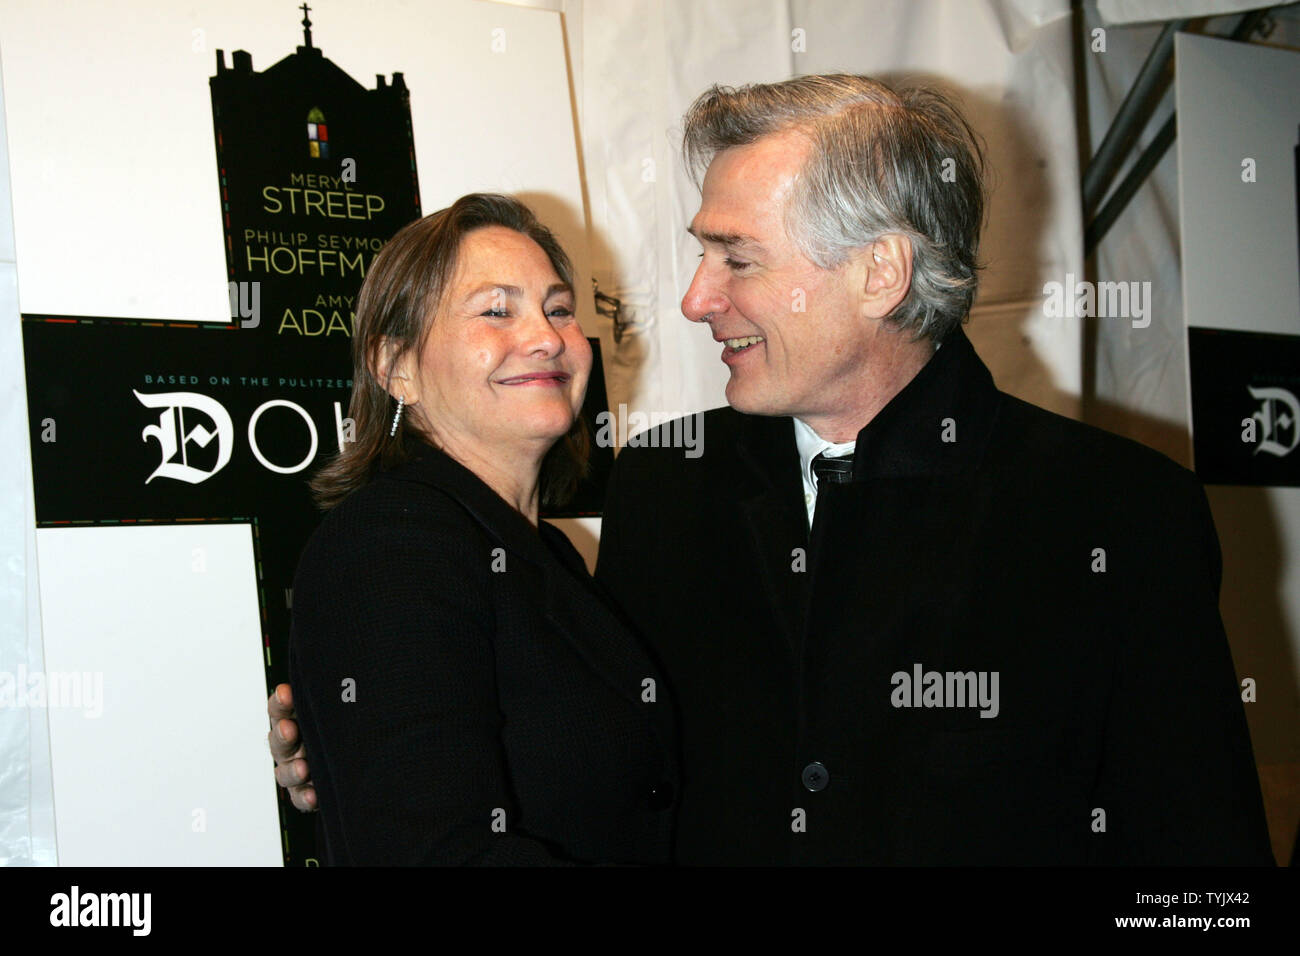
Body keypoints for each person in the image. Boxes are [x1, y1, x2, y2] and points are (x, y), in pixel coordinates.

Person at [273, 75, 1273, 865]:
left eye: (736, 259)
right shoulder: (668, 481)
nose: (694, 298)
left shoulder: (1115, 512)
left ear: (878, 273)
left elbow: (1197, 871)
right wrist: (361, 731)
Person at [282, 193, 677, 865]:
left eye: (557, 309)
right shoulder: (388, 545)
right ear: (396, 366)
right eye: (497, 310)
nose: (547, 336)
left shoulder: (548, 552)